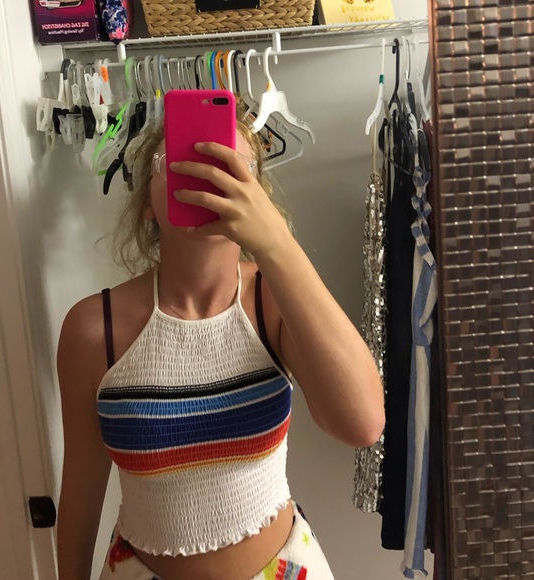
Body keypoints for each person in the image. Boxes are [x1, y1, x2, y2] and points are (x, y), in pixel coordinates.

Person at [56, 103, 385, 580]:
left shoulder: (272, 302)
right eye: (181, 161)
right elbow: (81, 494)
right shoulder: (93, 330)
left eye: (231, 167)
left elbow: (363, 423)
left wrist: (275, 243)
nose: (208, 177)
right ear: (147, 201)